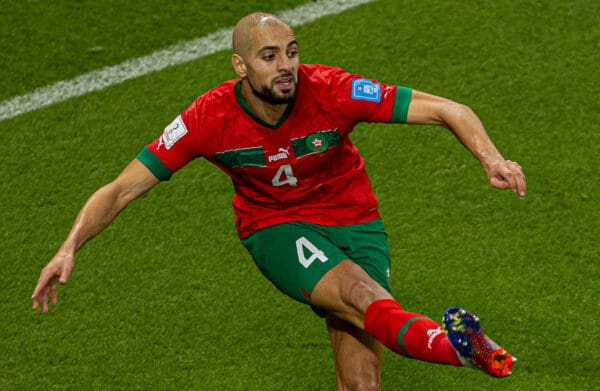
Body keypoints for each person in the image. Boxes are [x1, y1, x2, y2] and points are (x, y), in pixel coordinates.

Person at [32, 12, 526, 390]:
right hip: (276, 227)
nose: (286, 66)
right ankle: (459, 349)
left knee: (362, 382)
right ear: (240, 65)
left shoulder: (332, 89)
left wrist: (493, 159)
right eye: (269, 56)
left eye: (291, 51)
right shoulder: (208, 119)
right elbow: (121, 189)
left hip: (357, 221)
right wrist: (68, 246)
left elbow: (446, 109)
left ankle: (459, 348)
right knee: (361, 296)